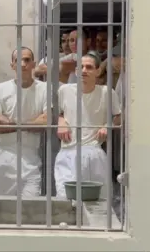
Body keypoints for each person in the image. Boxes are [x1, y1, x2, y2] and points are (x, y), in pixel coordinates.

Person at [55, 51, 121, 198]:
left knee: (98, 202)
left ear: (98, 71)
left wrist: (107, 125)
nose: (84, 71)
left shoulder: (106, 92)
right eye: (81, 67)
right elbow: (58, 112)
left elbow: (119, 116)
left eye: (89, 67)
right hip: (68, 151)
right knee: (66, 200)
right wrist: (60, 121)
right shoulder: (64, 90)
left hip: (94, 152)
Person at [0, 47, 47, 197]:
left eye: (27, 60)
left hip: (31, 158)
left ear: (34, 63)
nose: (23, 64)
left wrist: (10, 123)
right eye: (18, 60)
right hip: (2, 157)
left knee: (30, 205)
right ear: (12, 65)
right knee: (1, 208)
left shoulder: (45, 89)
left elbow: (46, 122)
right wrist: (31, 124)